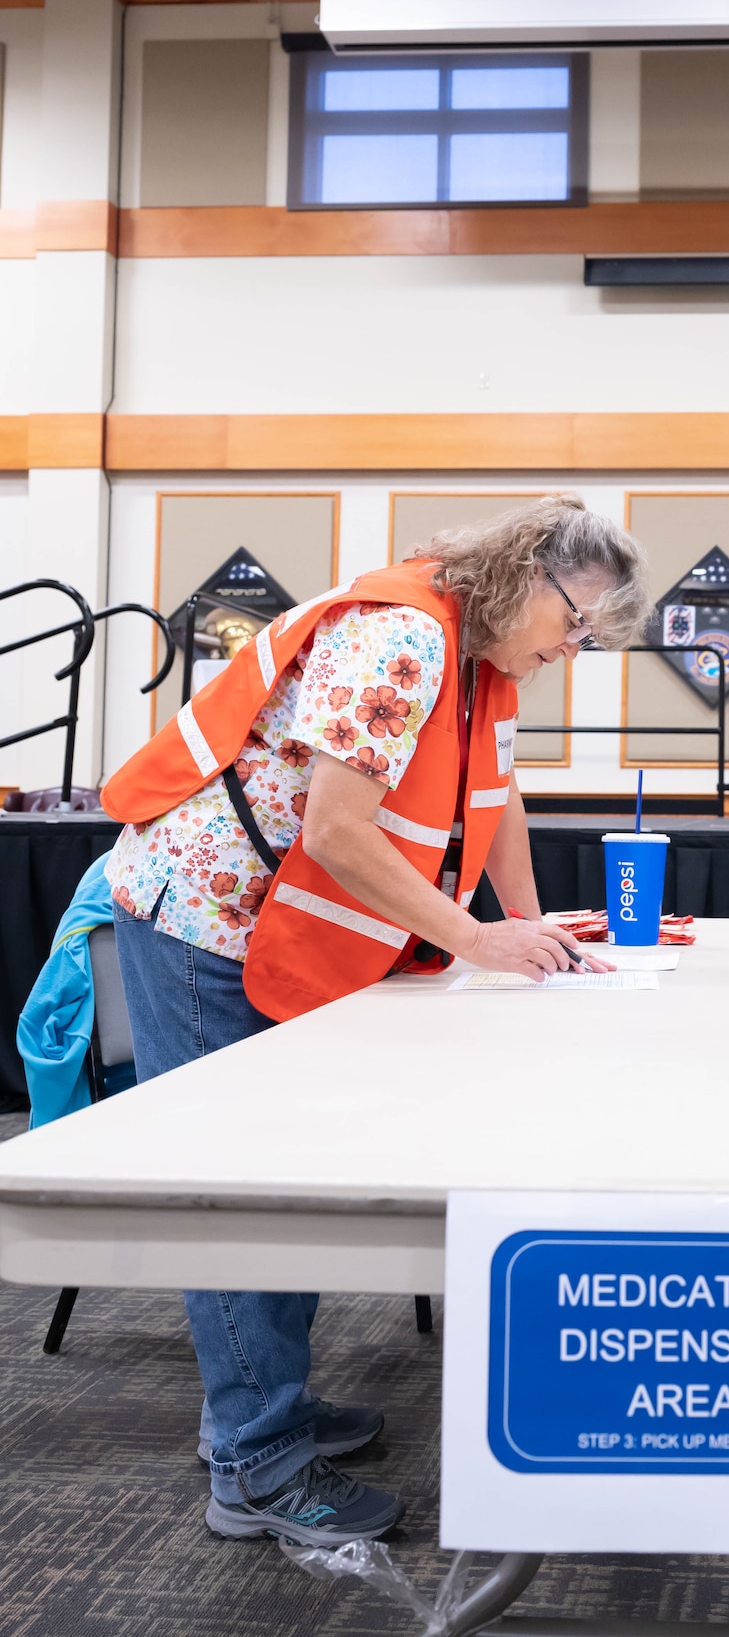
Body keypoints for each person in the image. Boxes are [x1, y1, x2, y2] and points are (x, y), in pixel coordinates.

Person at [100, 495, 650, 1549]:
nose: (571, 648)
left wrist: (527, 919)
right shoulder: (401, 633)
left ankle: (274, 1405)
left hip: (265, 915)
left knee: (287, 1171)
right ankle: (253, 1460)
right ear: (524, 572)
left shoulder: (481, 654)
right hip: (204, 916)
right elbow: (339, 830)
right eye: (573, 624)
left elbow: (498, 793)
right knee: (237, 1187)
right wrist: (476, 940)